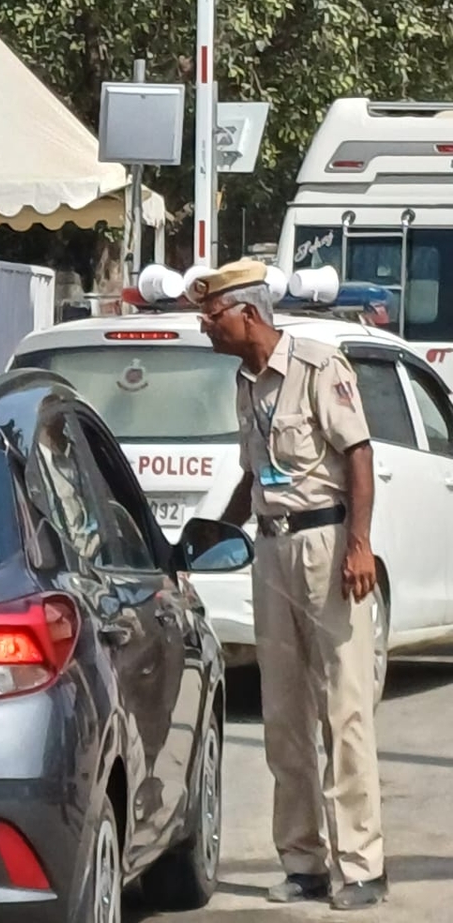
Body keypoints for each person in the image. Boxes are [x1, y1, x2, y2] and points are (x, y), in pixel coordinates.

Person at [191, 258, 386, 911]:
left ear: (247, 312)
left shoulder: (316, 366)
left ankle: (361, 866)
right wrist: (217, 532)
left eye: (213, 316)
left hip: (327, 546)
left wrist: (359, 545)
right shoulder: (246, 382)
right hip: (272, 550)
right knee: (285, 717)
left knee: (345, 709)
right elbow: (257, 475)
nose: (206, 327)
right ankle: (302, 862)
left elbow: (358, 452)